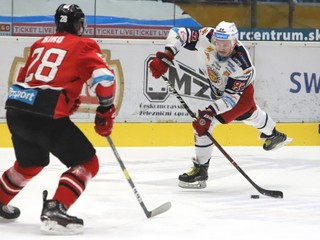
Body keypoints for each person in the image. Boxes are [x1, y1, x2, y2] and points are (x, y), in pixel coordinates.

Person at [0, 4, 116, 234]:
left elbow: (29, 79)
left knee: (29, 164)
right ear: (78, 24)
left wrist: (65, 98)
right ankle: (55, 209)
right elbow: (104, 79)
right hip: (45, 113)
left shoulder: (40, 42)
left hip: (16, 107)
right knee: (87, 163)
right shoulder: (84, 44)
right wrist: (105, 110)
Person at [149, 21, 292, 189]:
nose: (222, 48)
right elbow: (178, 32)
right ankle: (273, 134)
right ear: (214, 39)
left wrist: (210, 112)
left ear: (235, 42)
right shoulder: (207, 36)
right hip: (222, 90)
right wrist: (167, 55)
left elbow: (231, 99)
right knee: (251, 115)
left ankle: (201, 171)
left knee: (205, 124)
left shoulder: (242, 64)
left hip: (240, 97)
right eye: (219, 43)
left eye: (227, 44)